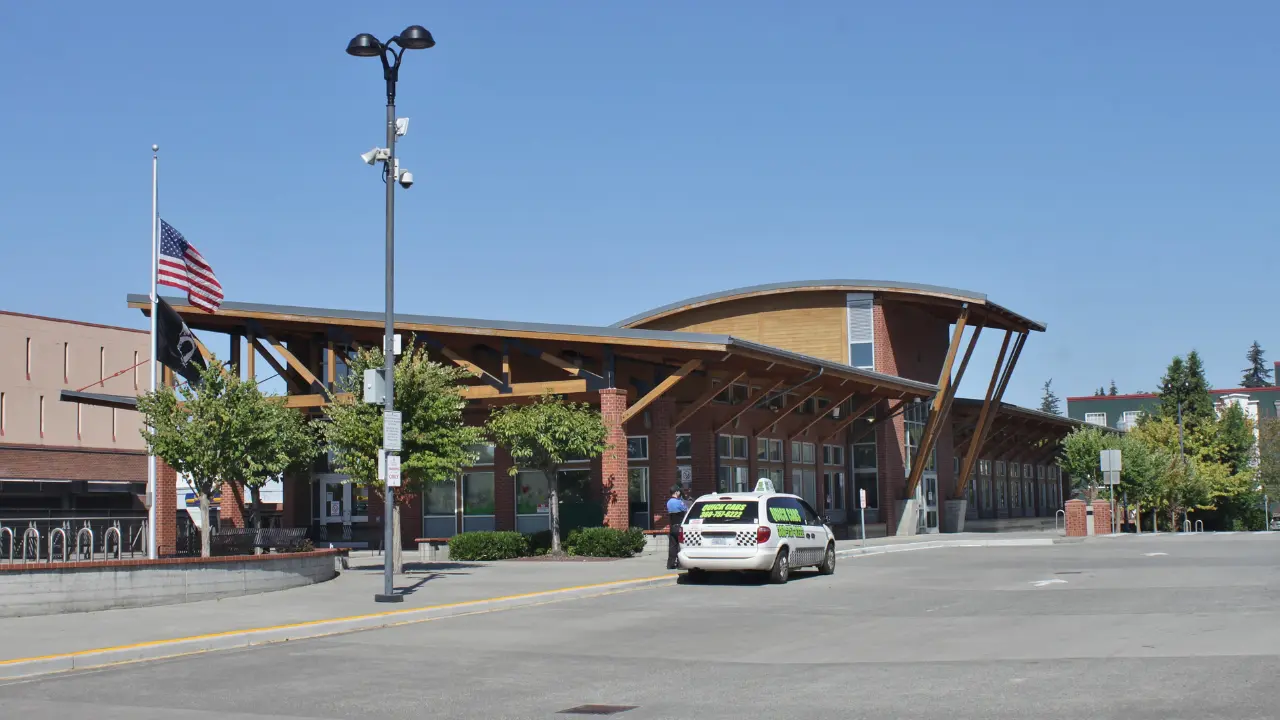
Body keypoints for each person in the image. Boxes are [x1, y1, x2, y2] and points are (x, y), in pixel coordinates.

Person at [666, 486, 689, 570]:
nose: (679, 493)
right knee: (680, 546)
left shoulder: (668, 502)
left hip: (672, 526)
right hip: (679, 526)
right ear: (676, 492)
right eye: (679, 491)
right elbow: (686, 509)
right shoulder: (679, 502)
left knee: (672, 546)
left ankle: (670, 564)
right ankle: (680, 564)